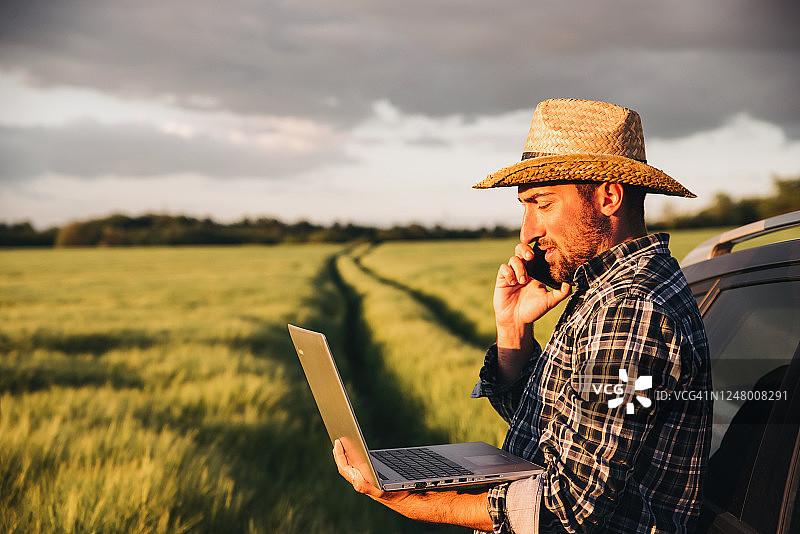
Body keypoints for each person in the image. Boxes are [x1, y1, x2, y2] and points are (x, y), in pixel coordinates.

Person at [333, 98, 711, 533]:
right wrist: (513, 328)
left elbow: (568, 504)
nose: (528, 231)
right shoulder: (606, 290)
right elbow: (555, 428)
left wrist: (411, 498)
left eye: (543, 204)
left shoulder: (629, 309)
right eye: (524, 207)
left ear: (609, 196)